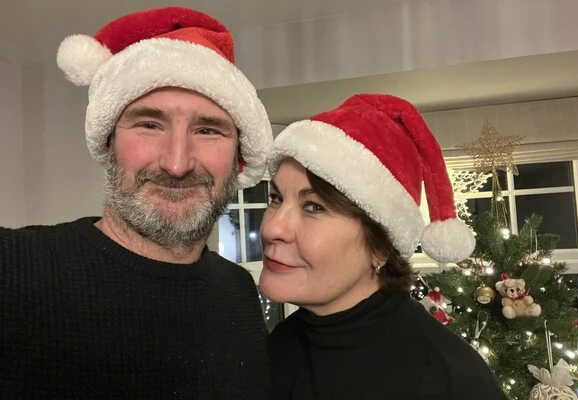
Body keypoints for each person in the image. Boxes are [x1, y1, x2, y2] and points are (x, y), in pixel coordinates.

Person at [0, 7, 273, 399]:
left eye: (208, 130)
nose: (177, 163)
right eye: (149, 124)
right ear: (109, 142)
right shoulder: (12, 271)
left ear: (239, 158)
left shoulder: (240, 292)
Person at [259, 94, 508, 399]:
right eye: (275, 199)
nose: (272, 228)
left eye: (314, 207)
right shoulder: (278, 346)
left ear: (381, 248)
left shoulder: (451, 382)